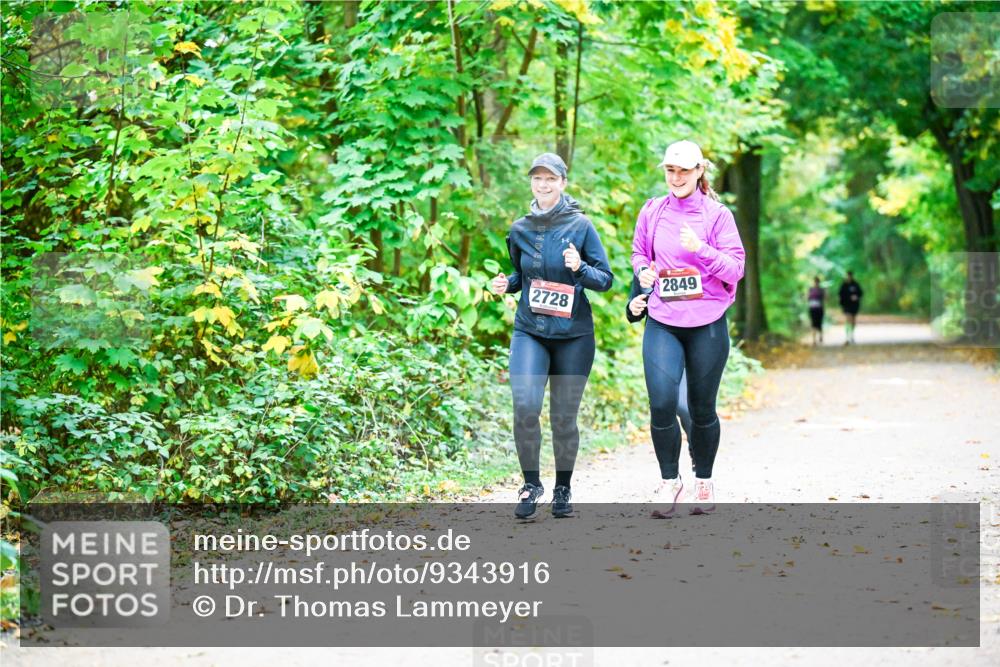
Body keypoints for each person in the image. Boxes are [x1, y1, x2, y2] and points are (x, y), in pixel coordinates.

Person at [490, 152, 613, 519]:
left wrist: (580, 269)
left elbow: (605, 280)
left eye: (550, 179)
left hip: (574, 335)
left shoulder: (581, 226)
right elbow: (522, 275)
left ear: (563, 183)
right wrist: (506, 284)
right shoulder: (519, 228)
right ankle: (531, 484)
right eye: (537, 178)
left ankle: (563, 487)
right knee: (525, 405)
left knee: (563, 417)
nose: (543, 184)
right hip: (530, 330)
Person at [631, 140, 745, 517]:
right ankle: (669, 482)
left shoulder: (717, 216)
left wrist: (701, 250)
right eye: (670, 170)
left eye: (684, 170)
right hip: (663, 320)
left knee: (700, 408)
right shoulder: (652, 211)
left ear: (699, 171)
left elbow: (735, 269)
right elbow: (638, 254)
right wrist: (642, 271)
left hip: (708, 324)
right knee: (662, 402)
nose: (676, 177)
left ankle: (704, 480)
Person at [627, 276, 694, 469]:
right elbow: (637, 303)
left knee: (688, 406)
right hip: (664, 339)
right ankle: (671, 477)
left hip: (699, 333)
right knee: (670, 403)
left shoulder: (698, 248)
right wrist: (633, 307)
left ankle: (698, 447)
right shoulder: (649, 261)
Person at [838, 271, 863, 345]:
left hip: (854, 305)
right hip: (846, 305)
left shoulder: (856, 284)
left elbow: (860, 293)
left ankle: (852, 335)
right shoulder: (844, 285)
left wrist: (856, 297)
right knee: (848, 319)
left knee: (853, 320)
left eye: (850, 276)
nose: (849, 277)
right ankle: (847, 336)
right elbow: (840, 295)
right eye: (848, 276)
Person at [807, 276, 825, 346]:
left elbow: (825, 299)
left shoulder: (821, 290)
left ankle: (820, 335)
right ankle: (814, 340)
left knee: (819, 323)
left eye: (817, 282)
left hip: (819, 308)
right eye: (815, 282)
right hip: (812, 308)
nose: (816, 283)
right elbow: (807, 298)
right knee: (813, 323)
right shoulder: (810, 289)